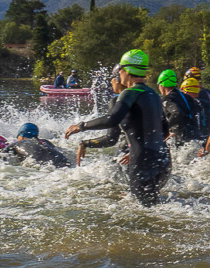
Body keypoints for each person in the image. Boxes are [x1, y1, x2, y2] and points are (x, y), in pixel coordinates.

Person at [65, 49, 172, 204]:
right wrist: (140, 149)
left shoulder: (130, 93)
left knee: (144, 214)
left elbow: (112, 119)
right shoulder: (154, 94)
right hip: (164, 160)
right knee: (153, 206)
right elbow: (165, 130)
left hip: (143, 161)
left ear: (125, 71)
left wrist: (81, 126)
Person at [157, 69, 207, 145]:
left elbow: (177, 113)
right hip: (197, 137)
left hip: (184, 141)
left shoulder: (167, 99)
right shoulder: (186, 97)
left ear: (162, 85)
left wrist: (168, 129)